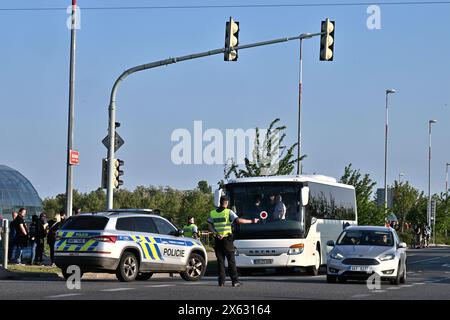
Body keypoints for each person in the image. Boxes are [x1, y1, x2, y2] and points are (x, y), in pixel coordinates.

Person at [208, 196, 259, 287]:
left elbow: (210, 225)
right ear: (226, 202)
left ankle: (221, 282)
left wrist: (215, 233)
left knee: (220, 262)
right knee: (231, 261)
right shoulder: (228, 212)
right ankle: (235, 281)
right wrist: (252, 221)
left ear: (220, 202)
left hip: (217, 240)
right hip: (227, 240)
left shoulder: (212, 213)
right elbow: (238, 221)